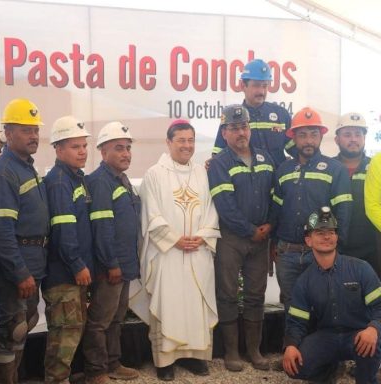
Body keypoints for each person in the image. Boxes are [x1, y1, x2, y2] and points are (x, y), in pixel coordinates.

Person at [130, 119, 219, 381]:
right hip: (167, 253)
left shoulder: (202, 173)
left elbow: (212, 209)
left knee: (195, 304)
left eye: (191, 140)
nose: (187, 146)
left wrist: (203, 236)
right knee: (168, 303)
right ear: (169, 142)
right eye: (181, 140)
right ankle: (165, 360)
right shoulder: (155, 174)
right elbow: (151, 214)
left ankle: (195, 356)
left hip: (197, 251)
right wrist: (173, 239)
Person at [0, 98, 50, 383]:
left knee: (25, 327)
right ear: (8, 133)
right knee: (12, 332)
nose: (33, 135)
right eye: (25, 130)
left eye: (35, 129)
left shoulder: (26, 167)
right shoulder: (2, 173)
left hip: (33, 265)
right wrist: (20, 272)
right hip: (17, 271)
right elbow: (1, 231)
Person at [207, 105, 274, 371]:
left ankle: (254, 351)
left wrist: (270, 224)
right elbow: (225, 204)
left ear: (250, 129)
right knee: (227, 295)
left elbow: (276, 196)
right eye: (234, 128)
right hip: (231, 239)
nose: (240, 132)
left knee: (256, 295)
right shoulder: (219, 163)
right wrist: (250, 231)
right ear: (224, 133)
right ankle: (232, 352)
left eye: (244, 127)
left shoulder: (266, 158)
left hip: (261, 238)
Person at [283, 206, 381, 383]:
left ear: (337, 237)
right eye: (320, 232)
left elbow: (379, 306)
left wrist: (373, 328)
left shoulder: (361, 268)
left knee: (373, 345)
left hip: (359, 334)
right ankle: (329, 371)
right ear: (308, 240)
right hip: (327, 337)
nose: (326, 236)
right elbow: (297, 322)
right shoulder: (304, 282)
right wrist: (290, 346)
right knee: (295, 366)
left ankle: (367, 379)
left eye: (331, 232)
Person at [270, 107, 352, 313]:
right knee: (291, 306)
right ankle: (292, 345)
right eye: (303, 135)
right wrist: (273, 244)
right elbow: (275, 211)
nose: (308, 141)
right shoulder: (283, 170)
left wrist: (335, 245)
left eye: (314, 135)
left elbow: (344, 211)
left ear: (321, 137)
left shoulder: (335, 169)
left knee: (323, 306)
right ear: (294, 138)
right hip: (287, 254)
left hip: (320, 252)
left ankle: (317, 346)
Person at [83, 122, 140, 384]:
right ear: (103, 152)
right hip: (111, 267)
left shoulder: (121, 179)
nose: (126, 153)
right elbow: (102, 227)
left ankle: (113, 363)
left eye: (128, 148)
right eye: (119, 148)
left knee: (117, 318)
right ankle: (96, 371)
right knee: (100, 321)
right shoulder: (100, 181)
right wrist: (111, 263)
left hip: (125, 264)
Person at [42, 116, 93, 384]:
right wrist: (77, 265)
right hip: (63, 276)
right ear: (59, 149)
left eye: (84, 145)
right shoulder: (60, 181)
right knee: (64, 338)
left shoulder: (73, 178)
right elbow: (63, 230)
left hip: (71, 274)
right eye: (75, 146)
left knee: (70, 334)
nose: (82, 151)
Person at [212, 59, 293, 167]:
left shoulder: (282, 114)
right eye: (256, 85)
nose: (261, 91)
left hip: (279, 183)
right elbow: (218, 157)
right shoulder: (231, 117)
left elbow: (298, 152)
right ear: (242, 86)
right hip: (247, 182)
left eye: (264, 86)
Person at [333, 112, 380, 276]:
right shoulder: (328, 168)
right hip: (336, 250)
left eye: (358, 134)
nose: (353, 139)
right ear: (336, 139)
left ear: (364, 138)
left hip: (373, 250)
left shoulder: (376, 167)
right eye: (347, 134)